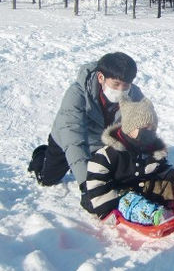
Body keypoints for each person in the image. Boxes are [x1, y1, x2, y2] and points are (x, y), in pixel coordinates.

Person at [28, 52, 144, 211]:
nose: (121, 90)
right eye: (116, 84)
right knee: (47, 179)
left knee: (114, 178)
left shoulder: (134, 95)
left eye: (126, 85)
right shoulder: (77, 94)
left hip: (101, 142)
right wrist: (86, 186)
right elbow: (73, 140)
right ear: (101, 77)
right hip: (67, 139)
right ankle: (41, 155)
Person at [85, 97, 174, 224]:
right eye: (145, 128)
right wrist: (105, 211)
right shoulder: (109, 154)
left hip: (139, 189)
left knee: (166, 183)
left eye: (152, 129)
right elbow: (96, 183)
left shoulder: (149, 148)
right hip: (116, 196)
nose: (149, 132)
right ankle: (154, 216)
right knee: (128, 200)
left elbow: (162, 168)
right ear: (129, 128)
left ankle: (167, 207)